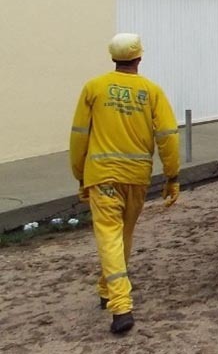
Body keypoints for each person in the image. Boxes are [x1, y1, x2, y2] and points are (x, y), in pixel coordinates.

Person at [69, 33, 181, 334]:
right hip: (136, 177)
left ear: (113, 58)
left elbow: (79, 134)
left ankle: (120, 305)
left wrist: (79, 174)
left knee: (110, 236)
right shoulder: (152, 91)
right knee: (122, 234)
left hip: (102, 175)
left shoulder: (94, 88)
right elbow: (168, 136)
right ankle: (107, 291)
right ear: (139, 58)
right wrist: (172, 176)